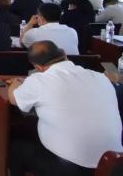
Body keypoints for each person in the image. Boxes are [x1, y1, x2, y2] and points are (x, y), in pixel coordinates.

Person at [7, 41, 123, 176]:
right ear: (65, 55)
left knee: (17, 148)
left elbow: (13, 99)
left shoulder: (39, 80)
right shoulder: (100, 78)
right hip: (115, 166)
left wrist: (15, 83)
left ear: (38, 67)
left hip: (71, 168)